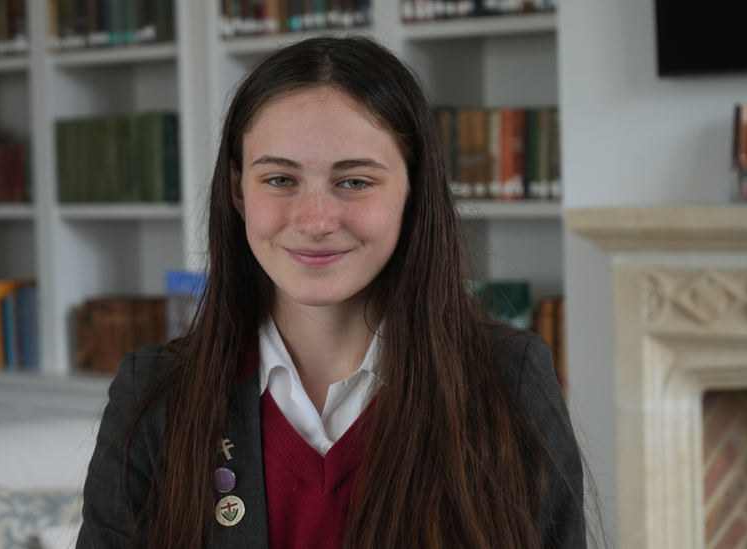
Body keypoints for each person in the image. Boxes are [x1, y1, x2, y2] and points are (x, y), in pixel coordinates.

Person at [77, 34, 586, 549]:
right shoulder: (155, 395)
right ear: (238, 191)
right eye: (279, 180)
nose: (315, 221)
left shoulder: (510, 382)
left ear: (414, 190)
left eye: (355, 182)